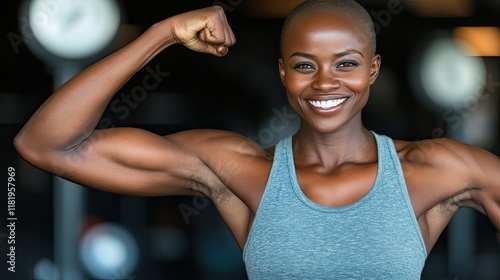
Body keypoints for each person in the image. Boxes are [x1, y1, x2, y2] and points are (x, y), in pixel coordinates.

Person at [14, 0, 500, 278]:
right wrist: (161, 34)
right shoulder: (239, 171)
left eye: (346, 64)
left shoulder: (439, 171)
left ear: (372, 70)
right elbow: (48, 144)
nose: (325, 82)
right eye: (305, 65)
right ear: (283, 73)